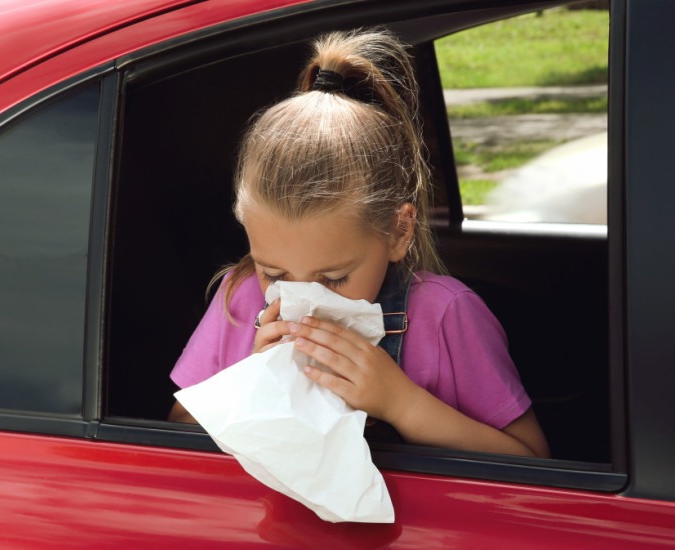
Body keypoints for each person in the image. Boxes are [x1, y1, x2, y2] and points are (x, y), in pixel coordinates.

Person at [168, 28, 549, 458]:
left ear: (398, 232)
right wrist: (256, 381)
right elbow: (177, 432)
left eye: (333, 279)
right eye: (274, 274)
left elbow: (532, 461)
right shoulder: (238, 300)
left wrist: (401, 402)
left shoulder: (445, 316)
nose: (304, 297)